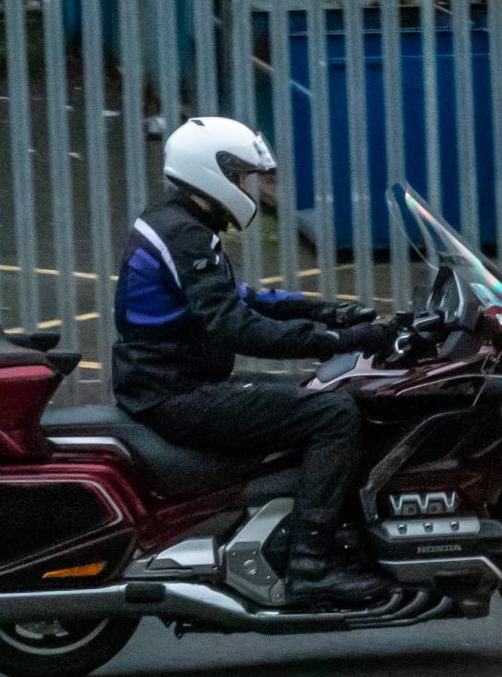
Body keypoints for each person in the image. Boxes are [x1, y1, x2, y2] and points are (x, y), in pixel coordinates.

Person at [113, 116, 393, 609]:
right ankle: (311, 566)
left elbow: (243, 299)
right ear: (213, 173)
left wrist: (322, 310)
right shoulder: (185, 236)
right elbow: (235, 326)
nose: (252, 187)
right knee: (334, 414)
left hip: (169, 385)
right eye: (245, 177)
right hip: (175, 395)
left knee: (319, 391)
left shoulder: (177, 223)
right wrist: (334, 338)